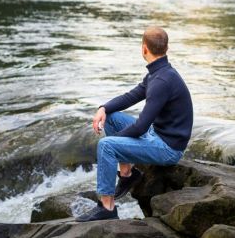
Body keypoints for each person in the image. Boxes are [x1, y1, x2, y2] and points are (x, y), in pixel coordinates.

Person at [75, 26, 194, 222]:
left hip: (168, 149)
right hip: (157, 135)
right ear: (167, 48)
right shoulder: (159, 73)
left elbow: (140, 127)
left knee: (106, 146)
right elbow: (132, 96)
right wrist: (103, 108)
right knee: (112, 117)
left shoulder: (162, 81)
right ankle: (127, 174)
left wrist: (113, 143)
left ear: (144, 49)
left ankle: (107, 207)